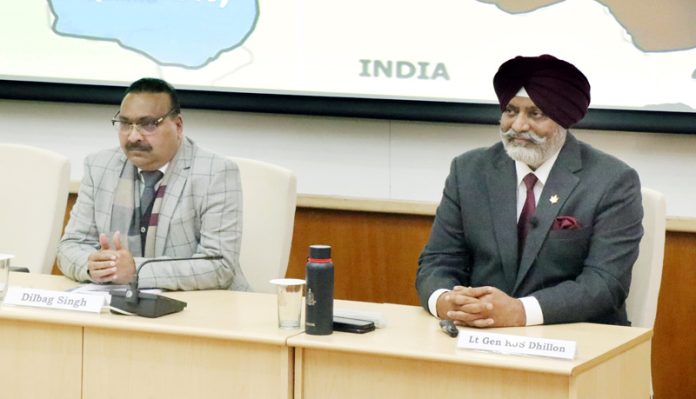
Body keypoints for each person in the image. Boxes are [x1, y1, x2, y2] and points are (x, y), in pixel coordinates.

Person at [416, 55, 643, 327]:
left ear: (563, 119)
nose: (518, 126)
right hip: (480, 336)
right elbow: (439, 260)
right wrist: (445, 301)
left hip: (574, 338)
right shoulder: (468, 171)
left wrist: (521, 311)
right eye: (511, 111)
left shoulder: (612, 181)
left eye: (536, 114)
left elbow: (605, 283)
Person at [58, 78, 249, 291]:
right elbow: (70, 246)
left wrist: (135, 271)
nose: (133, 136)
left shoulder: (216, 173)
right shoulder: (100, 167)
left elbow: (220, 267)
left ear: (177, 126)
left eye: (148, 124)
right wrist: (94, 266)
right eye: (125, 124)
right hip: (118, 305)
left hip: (201, 307)